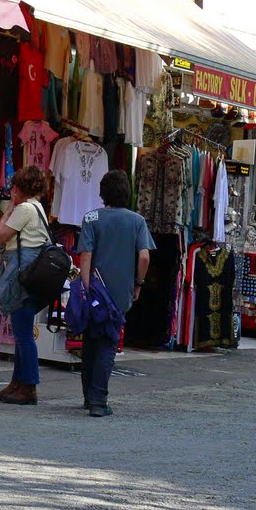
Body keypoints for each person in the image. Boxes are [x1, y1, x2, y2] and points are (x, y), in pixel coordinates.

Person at [77, 170, 155, 417]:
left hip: (95, 289)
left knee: (90, 341)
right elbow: (144, 256)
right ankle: (99, 400)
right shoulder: (137, 221)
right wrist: (138, 283)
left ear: (102, 193)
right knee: (108, 344)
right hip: (120, 291)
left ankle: (89, 396)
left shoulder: (91, 218)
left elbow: (86, 255)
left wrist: (86, 287)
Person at [0, 166, 50, 406]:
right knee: (21, 330)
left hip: (22, 276)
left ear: (19, 188)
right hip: (33, 275)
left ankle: (29, 387)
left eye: (14, 187)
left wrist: (7, 211)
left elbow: (1, 235)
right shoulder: (38, 207)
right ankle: (17, 383)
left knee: (23, 333)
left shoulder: (25, 208)